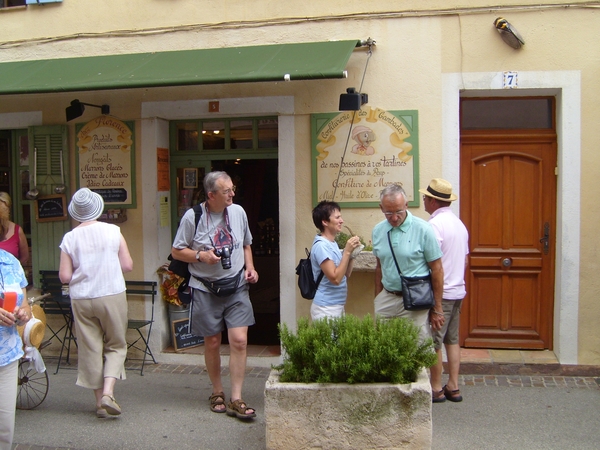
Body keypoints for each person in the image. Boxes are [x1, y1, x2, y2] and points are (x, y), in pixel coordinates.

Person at [171, 171, 259, 420]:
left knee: (239, 341)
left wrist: (250, 268)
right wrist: (201, 256)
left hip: (237, 286)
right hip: (205, 287)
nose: (232, 194)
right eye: (227, 191)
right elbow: (177, 251)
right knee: (211, 342)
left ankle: (237, 398)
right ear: (211, 195)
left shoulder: (238, 212)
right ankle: (217, 391)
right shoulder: (193, 217)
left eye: (233, 189)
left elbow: (245, 244)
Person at [58, 188, 133, 418]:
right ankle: (108, 393)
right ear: (98, 208)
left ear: (76, 212)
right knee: (116, 345)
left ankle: (99, 404)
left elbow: (64, 277)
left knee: (90, 348)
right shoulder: (113, 231)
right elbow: (128, 265)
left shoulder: (70, 237)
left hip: (81, 298)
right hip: (111, 293)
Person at [372, 184, 445, 343]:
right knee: (384, 347)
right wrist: (378, 297)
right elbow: (380, 267)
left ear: (406, 205)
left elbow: (437, 269)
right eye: (388, 212)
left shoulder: (423, 229)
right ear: (381, 208)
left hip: (415, 299)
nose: (394, 217)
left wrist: (437, 308)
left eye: (398, 211)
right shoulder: (378, 230)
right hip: (387, 297)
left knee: (416, 350)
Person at [420, 179, 469, 403]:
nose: (423, 200)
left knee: (435, 341)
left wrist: (435, 302)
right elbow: (466, 259)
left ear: (432, 201)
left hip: (443, 292)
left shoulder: (434, 225)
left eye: (425, 197)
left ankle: (437, 387)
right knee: (453, 339)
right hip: (458, 289)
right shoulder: (459, 224)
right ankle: (454, 385)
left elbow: (432, 262)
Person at [0, 249, 31, 449]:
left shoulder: (9, 261)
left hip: (7, 356)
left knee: (4, 428)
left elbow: (26, 305)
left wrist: (22, 314)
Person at [310, 201, 361, 321]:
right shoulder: (321, 246)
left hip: (337, 305)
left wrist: (352, 254)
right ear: (325, 221)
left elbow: (345, 274)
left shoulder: (332, 244)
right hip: (325, 308)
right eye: (337, 217)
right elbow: (335, 279)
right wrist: (347, 252)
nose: (341, 220)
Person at [0, 192, 30, 268]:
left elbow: (25, 257)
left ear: (9, 209)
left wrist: (13, 269)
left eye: (4, 209)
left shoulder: (17, 230)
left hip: (11, 277)